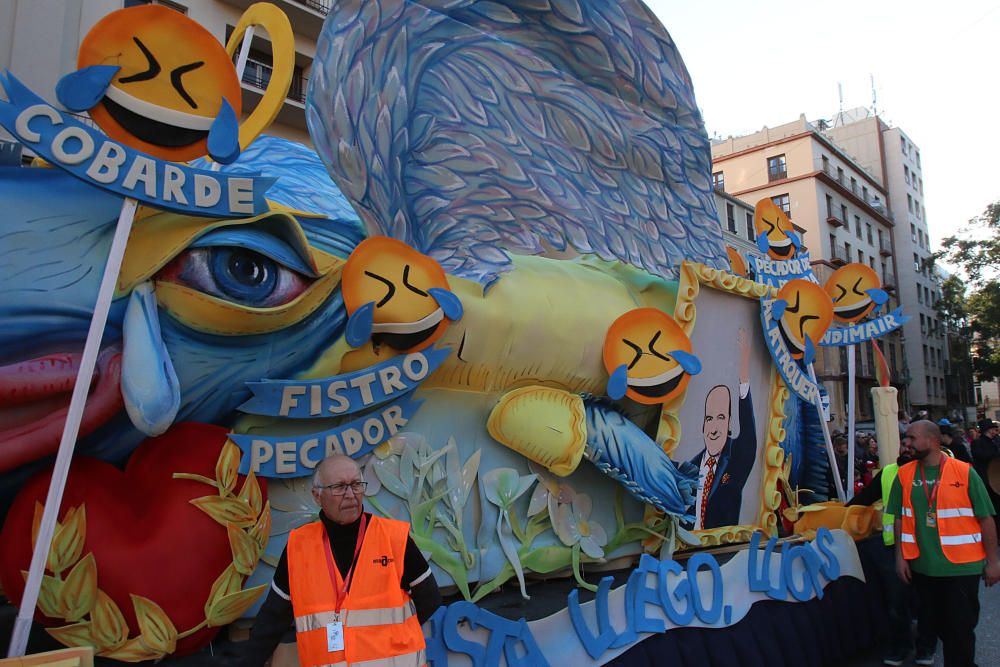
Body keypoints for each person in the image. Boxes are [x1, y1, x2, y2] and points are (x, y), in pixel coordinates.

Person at [240, 454, 441, 667]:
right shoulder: (298, 547)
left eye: (356, 484)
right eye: (339, 487)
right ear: (317, 496)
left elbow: (430, 599)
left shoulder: (393, 538)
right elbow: (271, 621)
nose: (350, 494)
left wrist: (391, 634)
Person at [889, 421, 1000, 667]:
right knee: (938, 628)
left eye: (912, 437)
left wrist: (993, 562)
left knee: (959, 631)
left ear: (932, 440)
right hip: (923, 568)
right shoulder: (904, 474)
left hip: (962, 568)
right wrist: (900, 557)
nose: (907, 443)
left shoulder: (964, 471)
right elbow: (898, 518)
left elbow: (986, 519)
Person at [848, 434, 935, 665]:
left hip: (926, 546)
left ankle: (926, 646)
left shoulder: (932, 471)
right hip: (893, 547)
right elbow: (864, 499)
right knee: (896, 603)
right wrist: (840, 513)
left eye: (910, 445)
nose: (906, 448)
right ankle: (901, 646)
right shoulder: (887, 473)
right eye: (903, 444)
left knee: (927, 600)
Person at [689, 328, 757, 529]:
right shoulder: (689, 467)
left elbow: (749, 434)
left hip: (720, 553)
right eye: (709, 419)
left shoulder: (736, 458)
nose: (714, 427)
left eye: (721, 418)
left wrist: (744, 375)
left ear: (729, 423)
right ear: (703, 426)